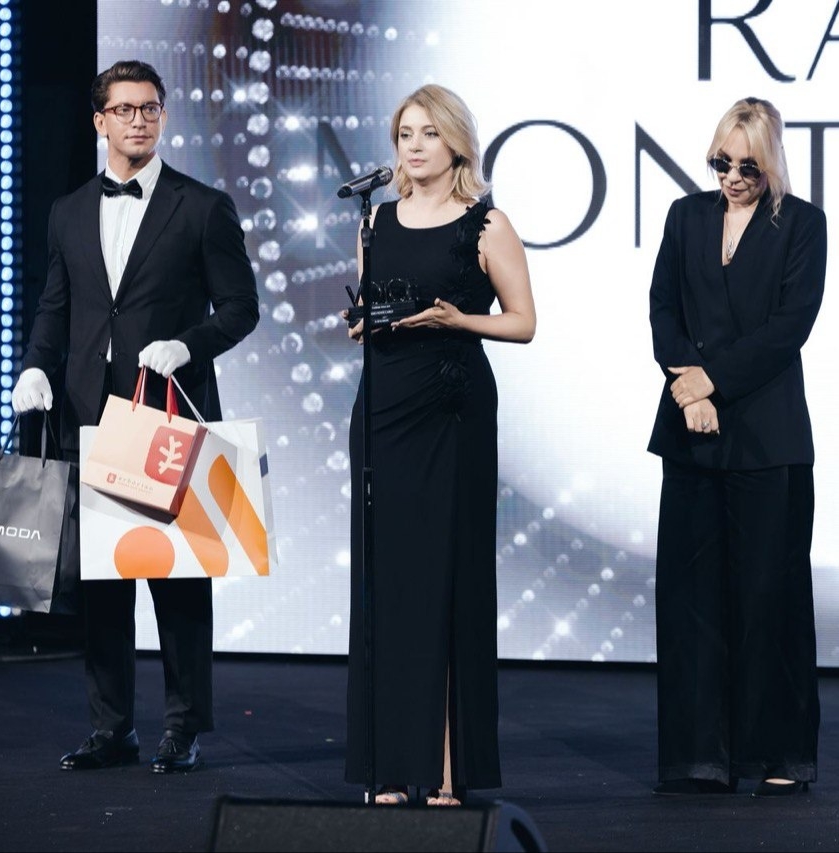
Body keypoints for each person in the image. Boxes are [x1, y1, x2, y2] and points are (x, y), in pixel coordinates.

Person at [12, 59, 259, 773]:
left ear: (163, 116)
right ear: (100, 121)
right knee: (102, 586)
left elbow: (241, 308)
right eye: (124, 109)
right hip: (89, 415)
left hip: (165, 418)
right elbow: (56, 307)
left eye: (150, 108)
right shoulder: (68, 211)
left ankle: (183, 727)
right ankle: (111, 727)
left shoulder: (203, 206)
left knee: (177, 582)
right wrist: (35, 365)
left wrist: (188, 344)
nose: (138, 120)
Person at [342, 84, 535, 807]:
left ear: (456, 143)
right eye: (405, 134)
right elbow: (370, 308)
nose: (414, 145)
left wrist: (459, 321)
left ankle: (449, 769)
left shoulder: (487, 223)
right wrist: (363, 324)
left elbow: (523, 322)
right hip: (384, 409)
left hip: (452, 411)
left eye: (428, 133)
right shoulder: (374, 221)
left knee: (447, 582)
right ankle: (393, 766)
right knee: (389, 587)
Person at [646, 97, 825, 798]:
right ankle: (699, 757)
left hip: (766, 433)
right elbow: (663, 307)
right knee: (690, 597)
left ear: (770, 162)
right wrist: (688, 390)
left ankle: (779, 753)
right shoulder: (685, 216)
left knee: (769, 596)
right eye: (721, 162)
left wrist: (711, 382)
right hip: (690, 430)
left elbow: (789, 327)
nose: (731, 177)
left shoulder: (801, 224)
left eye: (746, 166)